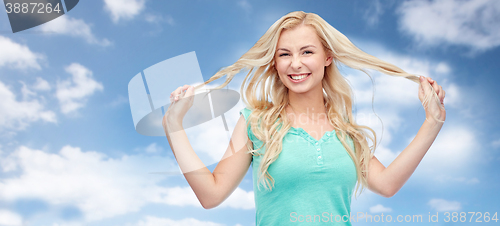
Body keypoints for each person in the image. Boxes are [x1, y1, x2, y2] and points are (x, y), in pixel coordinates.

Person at [162, 11, 445, 225]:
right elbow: (211, 195)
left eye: (307, 52)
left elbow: (387, 184)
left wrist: (432, 122)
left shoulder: (347, 132)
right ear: (274, 63)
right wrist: (173, 126)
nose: (295, 63)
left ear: (327, 57)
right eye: (284, 54)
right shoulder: (256, 123)